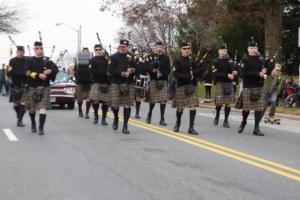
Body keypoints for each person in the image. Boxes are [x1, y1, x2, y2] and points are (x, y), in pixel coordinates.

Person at [25, 41, 58, 135]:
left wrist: (50, 70)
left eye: (41, 48)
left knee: (42, 107)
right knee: (31, 109)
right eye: (37, 48)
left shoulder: (47, 60)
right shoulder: (29, 60)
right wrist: (37, 75)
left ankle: (41, 128)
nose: (39, 50)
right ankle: (33, 123)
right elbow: (26, 72)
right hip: (32, 86)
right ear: (34, 49)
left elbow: (55, 69)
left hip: (44, 87)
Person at [237, 38, 266, 136]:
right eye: (252, 48)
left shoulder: (261, 59)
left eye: (255, 48)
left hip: (259, 85)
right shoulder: (245, 59)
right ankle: (244, 121)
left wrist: (266, 70)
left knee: (258, 108)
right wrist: (258, 74)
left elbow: (268, 69)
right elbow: (243, 73)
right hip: (248, 86)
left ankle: (256, 128)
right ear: (248, 49)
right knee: (246, 108)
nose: (254, 49)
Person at [172, 41, 201, 135]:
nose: (186, 50)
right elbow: (175, 74)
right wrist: (188, 76)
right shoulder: (177, 60)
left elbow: (199, 69)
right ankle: (178, 122)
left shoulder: (192, 60)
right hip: (181, 86)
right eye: (184, 49)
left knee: (193, 106)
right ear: (181, 50)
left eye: (188, 49)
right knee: (180, 108)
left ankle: (191, 128)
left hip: (191, 86)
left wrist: (194, 73)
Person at [108, 39, 136, 134]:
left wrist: (132, 70)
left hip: (128, 83)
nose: (122, 48)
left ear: (127, 47)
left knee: (127, 105)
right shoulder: (113, 57)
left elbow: (139, 68)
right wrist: (121, 73)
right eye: (121, 46)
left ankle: (125, 126)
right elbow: (110, 70)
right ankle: (116, 118)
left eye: (124, 47)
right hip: (116, 83)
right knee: (115, 105)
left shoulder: (131, 57)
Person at [212, 44, 237, 128]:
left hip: (228, 84)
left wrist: (235, 72)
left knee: (228, 103)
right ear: (219, 51)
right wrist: (227, 75)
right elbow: (215, 74)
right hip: (220, 83)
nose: (224, 52)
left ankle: (226, 120)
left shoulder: (230, 61)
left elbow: (234, 70)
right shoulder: (215, 61)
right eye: (222, 51)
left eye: (225, 51)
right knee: (219, 103)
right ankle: (217, 115)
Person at [145, 41, 171, 126]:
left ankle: (162, 119)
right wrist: (153, 71)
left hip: (163, 80)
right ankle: (149, 113)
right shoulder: (151, 57)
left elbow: (169, 70)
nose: (159, 48)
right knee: (153, 101)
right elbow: (147, 68)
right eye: (157, 47)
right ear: (155, 48)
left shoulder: (166, 58)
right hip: (153, 80)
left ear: (162, 48)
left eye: (160, 47)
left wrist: (162, 73)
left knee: (163, 100)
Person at [7, 46, 27, 127]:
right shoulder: (12, 61)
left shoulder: (27, 60)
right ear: (16, 52)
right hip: (15, 85)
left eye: (22, 52)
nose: (21, 53)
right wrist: (23, 73)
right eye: (19, 52)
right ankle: (19, 114)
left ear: (24, 52)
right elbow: (10, 72)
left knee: (23, 104)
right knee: (15, 105)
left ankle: (19, 121)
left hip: (25, 85)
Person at [89, 44, 110, 125]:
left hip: (105, 83)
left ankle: (104, 119)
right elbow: (91, 72)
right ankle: (96, 116)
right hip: (96, 82)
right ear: (94, 51)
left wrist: (104, 73)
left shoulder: (106, 59)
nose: (98, 51)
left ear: (102, 50)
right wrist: (103, 72)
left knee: (105, 102)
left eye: (99, 49)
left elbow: (109, 70)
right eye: (96, 50)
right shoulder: (92, 60)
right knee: (95, 101)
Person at [74, 47, 92, 119]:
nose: (85, 53)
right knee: (79, 98)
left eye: (87, 52)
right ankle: (80, 110)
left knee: (89, 98)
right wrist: (77, 78)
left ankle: (87, 113)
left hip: (88, 82)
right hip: (79, 82)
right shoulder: (78, 61)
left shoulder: (91, 60)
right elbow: (75, 70)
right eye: (84, 52)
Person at [133, 49, 149, 119]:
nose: (138, 54)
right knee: (130, 97)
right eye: (137, 53)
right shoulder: (132, 61)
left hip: (139, 82)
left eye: (139, 53)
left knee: (138, 97)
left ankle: (137, 113)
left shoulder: (144, 62)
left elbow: (146, 69)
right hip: (131, 81)